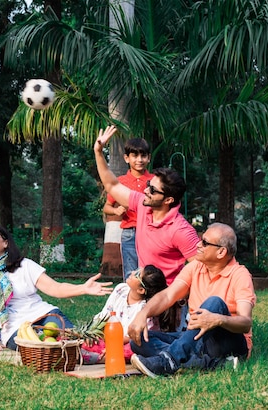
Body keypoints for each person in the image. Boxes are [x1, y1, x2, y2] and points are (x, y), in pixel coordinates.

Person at [128, 223, 256, 377]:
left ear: (221, 252)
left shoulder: (240, 275)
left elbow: (245, 322)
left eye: (205, 242)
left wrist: (218, 320)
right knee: (139, 340)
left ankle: (168, 361)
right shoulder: (195, 266)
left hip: (227, 343)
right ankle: (215, 365)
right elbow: (168, 295)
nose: (198, 244)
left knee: (214, 303)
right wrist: (144, 313)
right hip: (195, 338)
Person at [0, 224, 114, 351]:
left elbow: (55, 288)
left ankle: (114, 351)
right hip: (14, 328)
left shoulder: (25, 265)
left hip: (44, 315)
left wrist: (83, 288)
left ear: (5, 243)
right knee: (42, 348)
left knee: (75, 343)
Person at [93, 126, 199, 285]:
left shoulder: (181, 230)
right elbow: (111, 185)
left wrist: (179, 292)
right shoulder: (143, 205)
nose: (146, 191)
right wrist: (99, 152)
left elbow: (203, 267)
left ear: (168, 200)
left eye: (152, 189)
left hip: (169, 299)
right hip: (145, 294)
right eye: (148, 185)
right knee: (130, 281)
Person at [80, 265, 180, 364]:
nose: (132, 273)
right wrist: (93, 333)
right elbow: (104, 314)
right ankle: (100, 355)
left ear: (141, 290)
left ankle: (99, 357)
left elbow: (137, 338)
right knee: (83, 341)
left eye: (136, 274)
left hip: (127, 343)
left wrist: (115, 343)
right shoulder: (121, 289)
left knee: (132, 350)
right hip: (108, 339)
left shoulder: (146, 309)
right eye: (136, 270)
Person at [102, 138, 154, 280]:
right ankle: (130, 300)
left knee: (151, 272)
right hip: (129, 233)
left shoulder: (155, 180)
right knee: (131, 273)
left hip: (151, 232)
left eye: (143, 156)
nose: (139, 160)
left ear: (148, 158)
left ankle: (151, 301)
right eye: (135, 156)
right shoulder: (120, 182)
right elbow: (107, 207)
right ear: (126, 158)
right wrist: (115, 211)